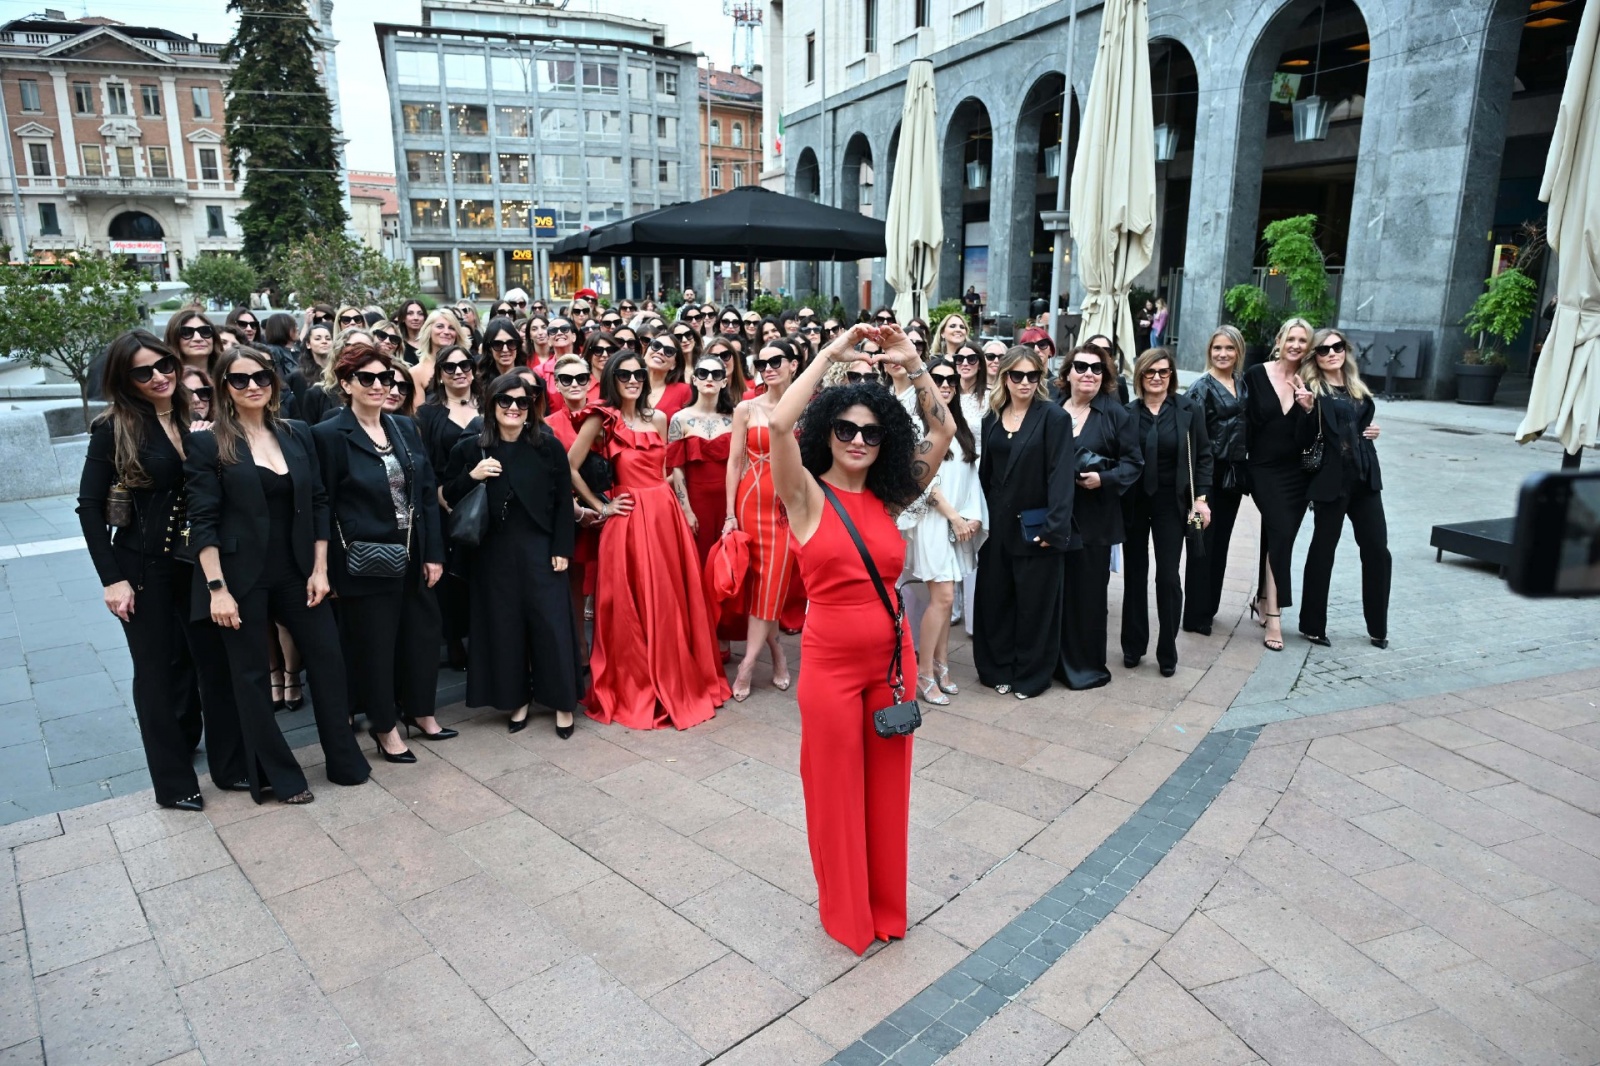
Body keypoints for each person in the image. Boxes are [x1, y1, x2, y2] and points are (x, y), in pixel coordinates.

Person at [768, 321, 952, 955]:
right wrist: (831, 355)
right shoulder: (805, 495)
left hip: (891, 662)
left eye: (871, 432)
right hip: (829, 664)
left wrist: (911, 363)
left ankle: (884, 908)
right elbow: (774, 427)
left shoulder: (890, 497)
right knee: (835, 790)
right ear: (827, 432)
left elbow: (944, 433)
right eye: (844, 429)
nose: (857, 440)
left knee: (886, 792)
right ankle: (846, 912)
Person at [184, 348, 371, 805]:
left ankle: (344, 761)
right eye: (240, 379)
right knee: (249, 679)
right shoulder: (210, 443)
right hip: (238, 577)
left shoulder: (296, 432)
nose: (253, 386)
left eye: (261, 377)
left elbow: (321, 501)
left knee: (328, 662)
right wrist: (217, 590)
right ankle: (279, 777)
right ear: (224, 387)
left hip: (298, 572)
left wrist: (321, 569)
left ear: (274, 381)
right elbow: (202, 520)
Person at [77, 331, 245, 811]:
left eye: (165, 365)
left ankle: (230, 766)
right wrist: (112, 579)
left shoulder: (196, 414)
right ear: (123, 379)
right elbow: (90, 509)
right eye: (143, 371)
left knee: (214, 666)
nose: (159, 376)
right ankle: (174, 785)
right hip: (143, 567)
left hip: (198, 567)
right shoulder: (114, 427)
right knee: (157, 674)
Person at [568, 351, 730, 729]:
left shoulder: (657, 417)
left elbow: (667, 471)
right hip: (627, 518)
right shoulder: (600, 418)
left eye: (638, 373)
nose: (632, 379)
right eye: (624, 373)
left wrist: (683, 506)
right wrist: (600, 506)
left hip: (664, 515)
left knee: (671, 599)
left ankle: (677, 677)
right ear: (611, 377)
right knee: (629, 602)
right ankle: (638, 682)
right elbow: (569, 467)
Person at [313, 346, 448, 758]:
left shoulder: (404, 428)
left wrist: (434, 553)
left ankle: (422, 711)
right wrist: (327, 569)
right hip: (364, 559)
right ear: (346, 383)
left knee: (422, 635)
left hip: (413, 551)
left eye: (385, 378)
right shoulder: (329, 434)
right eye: (367, 378)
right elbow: (324, 503)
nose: (378, 385)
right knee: (375, 646)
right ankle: (385, 727)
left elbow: (425, 493)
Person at [444, 373, 582, 736]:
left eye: (522, 402)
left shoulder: (547, 446)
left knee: (551, 626)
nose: (514, 408)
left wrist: (562, 548)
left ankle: (563, 703)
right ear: (491, 404)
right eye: (505, 401)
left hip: (541, 549)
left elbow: (563, 503)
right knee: (506, 629)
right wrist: (473, 476)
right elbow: (447, 495)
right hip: (493, 554)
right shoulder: (473, 448)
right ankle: (517, 700)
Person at [973, 346, 1075, 699]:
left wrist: (1054, 527)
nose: (1026, 382)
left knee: (1035, 605)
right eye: (1017, 375)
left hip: (1036, 526)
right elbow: (984, 476)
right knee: (995, 600)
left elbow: (1062, 475)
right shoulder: (992, 417)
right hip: (996, 527)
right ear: (1004, 377)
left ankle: (1031, 676)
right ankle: (997, 668)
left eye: (1033, 376)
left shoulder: (1053, 417)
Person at [1296, 327, 1390, 650]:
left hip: (1364, 479)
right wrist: (1308, 410)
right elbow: (1304, 437)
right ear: (1315, 357)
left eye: (1337, 347)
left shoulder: (1356, 387)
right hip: (1331, 482)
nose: (1332, 353)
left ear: (1345, 350)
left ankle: (1378, 627)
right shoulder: (1311, 390)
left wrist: (1372, 431)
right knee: (1324, 551)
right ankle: (1311, 625)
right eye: (1323, 350)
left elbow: (1360, 425)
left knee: (1378, 549)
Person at [1120, 348, 1211, 677]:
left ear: (1172, 376)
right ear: (1140, 376)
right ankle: (1133, 645)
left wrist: (1201, 498)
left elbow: (1203, 456)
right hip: (1133, 503)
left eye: (1164, 372)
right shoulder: (1127, 413)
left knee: (1168, 578)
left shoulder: (1188, 410)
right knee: (1134, 575)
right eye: (1150, 372)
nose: (1157, 377)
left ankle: (1167, 648)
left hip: (1171, 504)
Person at [1054, 344, 1141, 689]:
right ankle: (1053, 661)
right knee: (1054, 592)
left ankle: (1085, 667)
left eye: (1097, 368)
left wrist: (1102, 479)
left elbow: (1134, 464)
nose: (1088, 372)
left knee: (1088, 596)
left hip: (1094, 519)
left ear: (1105, 377)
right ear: (1068, 372)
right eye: (1081, 366)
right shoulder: (1052, 408)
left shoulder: (1116, 414)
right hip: (1055, 516)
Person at [900, 357, 986, 704]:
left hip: (958, 522)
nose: (947, 384)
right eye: (939, 378)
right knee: (944, 599)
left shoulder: (960, 427)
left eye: (951, 379)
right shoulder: (918, 427)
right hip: (931, 523)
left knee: (943, 599)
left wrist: (974, 516)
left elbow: (970, 476)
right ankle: (923, 674)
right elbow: (923, 478)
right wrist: (953, 516)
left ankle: (942, 665)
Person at [725, 337, 805, 700]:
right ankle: (775, 652)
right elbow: (735, 461)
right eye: (761, 363)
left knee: (772, 585)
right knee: (756, 585)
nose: (768, 368)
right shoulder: (746, 408)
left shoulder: (808, 408)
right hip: (748, 502)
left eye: (776, 361)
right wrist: (729, 513)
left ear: (793, 364)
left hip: (785, 507)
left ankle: (746, 665)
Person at [1244, 318, 1314, 652]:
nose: (1296, 345)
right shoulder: (1257, 374)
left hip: (1298, 474)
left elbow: (1328, 425)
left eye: (1303, 340)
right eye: (1291, 338)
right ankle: (1274, 616)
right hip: (1262, 470)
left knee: (1278, 535)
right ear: (1279, 340)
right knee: (1282, 534)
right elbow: (1238, 417)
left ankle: (1261, 596)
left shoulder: (1312, 381)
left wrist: (1310, 409)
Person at [1182, 326, 1248, 635]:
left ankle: (1210, 607)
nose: (1223, 354)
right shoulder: (1200, 388)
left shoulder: (1242, 384)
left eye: (1229, 348)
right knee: (1199, 544)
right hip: (1203, 480)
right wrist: (1199, 493)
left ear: (1238, 352)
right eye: (1217, 348)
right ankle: (1195, 615)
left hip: (1231, 480)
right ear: (1210, 351)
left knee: (1220, 543)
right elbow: (1191, 440)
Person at [667, 355, 738, 644]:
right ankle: (699, 634)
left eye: (716, 373)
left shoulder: (735, 417)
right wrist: (686, 508)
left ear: (724, 380)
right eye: (702, 372)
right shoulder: (679, 419)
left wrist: (734, 510)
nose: (709, 377)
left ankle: (722, 634)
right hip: (695, 501)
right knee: (696, 568)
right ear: (694, 379)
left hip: (728, 501)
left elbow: (740, 464)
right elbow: (676, 468)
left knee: (725, 567)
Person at [288, 322, 337, 426]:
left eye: (328, 338)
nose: (324, 341)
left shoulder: (339, 372)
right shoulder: (299, 376)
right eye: (318, 338)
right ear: (308, 344)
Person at [643, 331, 692, 418]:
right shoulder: (631, 383)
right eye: (656, 345)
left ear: (674, 365)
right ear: (646, 352)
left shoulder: (684, 391)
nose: (660, 351)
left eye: (669, 351)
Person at [165, 309, 222, 374]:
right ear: (174, 338)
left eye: (205, 331)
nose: (198, 338)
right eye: (186, 332)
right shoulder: (165, 380)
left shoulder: (228, 374)